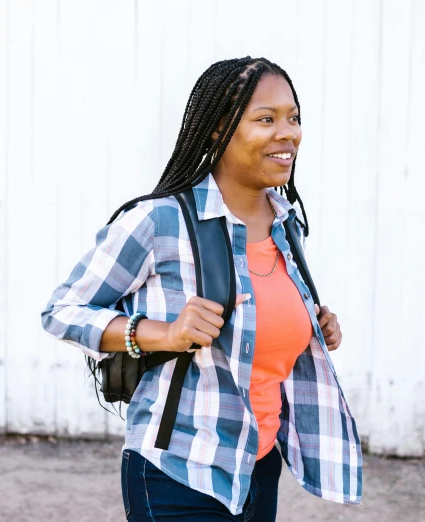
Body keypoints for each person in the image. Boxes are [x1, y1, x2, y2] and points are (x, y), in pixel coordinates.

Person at [41, 57, 361, 521]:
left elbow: (260, 330)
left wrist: (314, 323)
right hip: (180, 471)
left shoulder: (285, 223)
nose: (288, 132)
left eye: (293, 118)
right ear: (217, 130)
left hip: (258, 467)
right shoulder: (160, 221)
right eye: (266, 119)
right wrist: (160, 334)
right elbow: (62, 310)